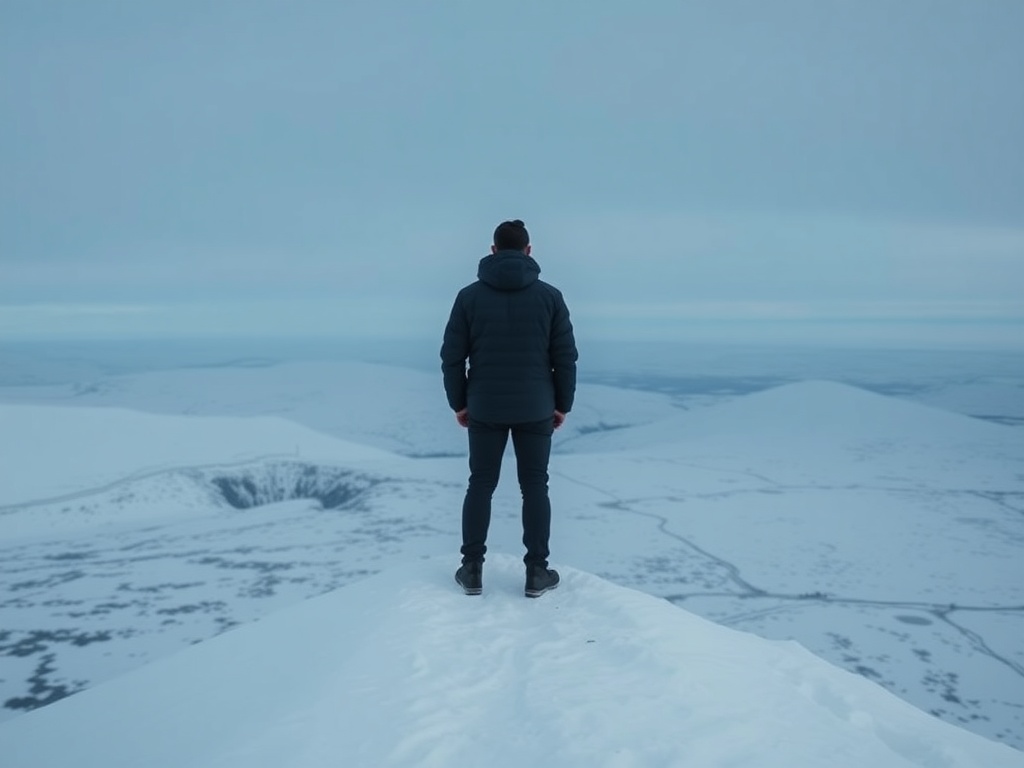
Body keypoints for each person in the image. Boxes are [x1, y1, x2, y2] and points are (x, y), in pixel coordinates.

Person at [440, 219, 578, 598]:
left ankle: (471, 569)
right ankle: (536, 572)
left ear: (493, 251)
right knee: (535, 485)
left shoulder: (468, 297)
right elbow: (565, 358)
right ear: (529, 251)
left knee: (480, 484)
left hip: (484, 407)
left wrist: (460, 402)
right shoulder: (550, 297)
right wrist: (562, 403)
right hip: (537, 408)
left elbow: (452, 357)